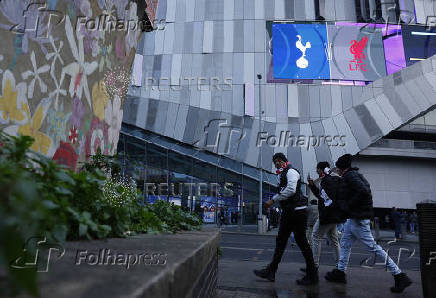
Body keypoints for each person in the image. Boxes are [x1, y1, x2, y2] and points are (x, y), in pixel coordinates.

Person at [325, 154, 412, 293]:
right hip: (353, 219)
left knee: (373, 247)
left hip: (358, 219)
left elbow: (363, 191)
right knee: (345, 244)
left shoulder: (350, 176)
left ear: (342, 167)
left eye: (338, 167)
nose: (337, 170)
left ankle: (400, 275)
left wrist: (348, 206)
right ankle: (340, 272)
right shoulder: (353, 175)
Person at [253, 153, 318, 285]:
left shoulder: (291, 172)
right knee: (281, 241)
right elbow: (284, 190)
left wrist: (273, 200)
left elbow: (291, 190)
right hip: (289, 212)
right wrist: (275, 199)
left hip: (296, 212)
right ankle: (271, 271)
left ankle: (312, 275)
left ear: (284, 161)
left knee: (302, 243)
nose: (277, 163)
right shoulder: (282, 174)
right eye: (275, 162)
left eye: (279, 161)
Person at [306, 162, 343, 271]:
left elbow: (328, 200)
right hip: (333, 215)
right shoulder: (328, 179)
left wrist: (325, 216)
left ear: (321, 169)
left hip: (327, 215)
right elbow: (321, 196)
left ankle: (314, 265)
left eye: (317, 169)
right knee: (334, 240)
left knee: (316, 237)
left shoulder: (328, 180)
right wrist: (312, 185)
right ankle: (339, 266)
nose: (316, 171)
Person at [306, 177, 319, 248]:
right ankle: (315, 244)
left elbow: (306, 213)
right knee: (316, 233)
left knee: (310, 233)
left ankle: (310, 244)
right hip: (316, 222)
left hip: (310, 222)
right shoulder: (318, 207)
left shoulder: (309, 207)